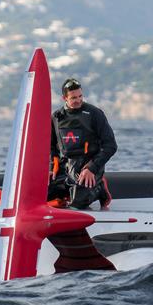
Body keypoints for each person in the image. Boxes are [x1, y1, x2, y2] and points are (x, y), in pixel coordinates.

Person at [48, 78, 117, 210]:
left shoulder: (94, 114)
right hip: (66, 168)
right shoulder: (56, 117)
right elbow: (52, 146)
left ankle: (100, 187)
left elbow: (110, 146)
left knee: (77, 204)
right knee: (42, 195)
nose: (78, 100)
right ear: (64, 98)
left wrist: (92, 168)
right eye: (73, 97)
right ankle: (67, 189)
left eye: (80, 96)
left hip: (87, 168)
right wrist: (52, 167)